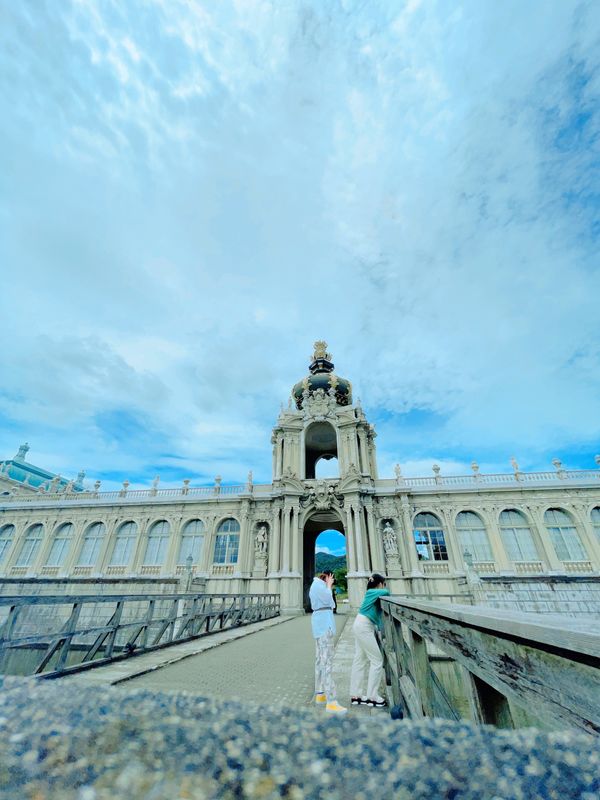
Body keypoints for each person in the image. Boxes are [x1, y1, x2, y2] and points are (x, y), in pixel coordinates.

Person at [309, 570, 347, 715]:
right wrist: (329, 586)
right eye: (331, 579)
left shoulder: (317, 586)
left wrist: (328, 589)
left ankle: (320, 694)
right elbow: (328, 599)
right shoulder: (319, 586)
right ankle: (331, 701)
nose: (332, 581)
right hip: (324, 625)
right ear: (327, 577)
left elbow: (331, 604)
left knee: (320, 659)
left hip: (321, 624)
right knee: (326, 662)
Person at [349, 573, 390, 708]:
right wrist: (383, 587)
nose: (384, 586)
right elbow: (386, 592)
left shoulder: (371, 593)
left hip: (361, 625)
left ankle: (356, 695)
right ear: (379, 584)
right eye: (383, 583)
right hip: (364, 627)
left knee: (359, 659)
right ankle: (372, 696)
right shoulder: (372, 592)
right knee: (377, 660)